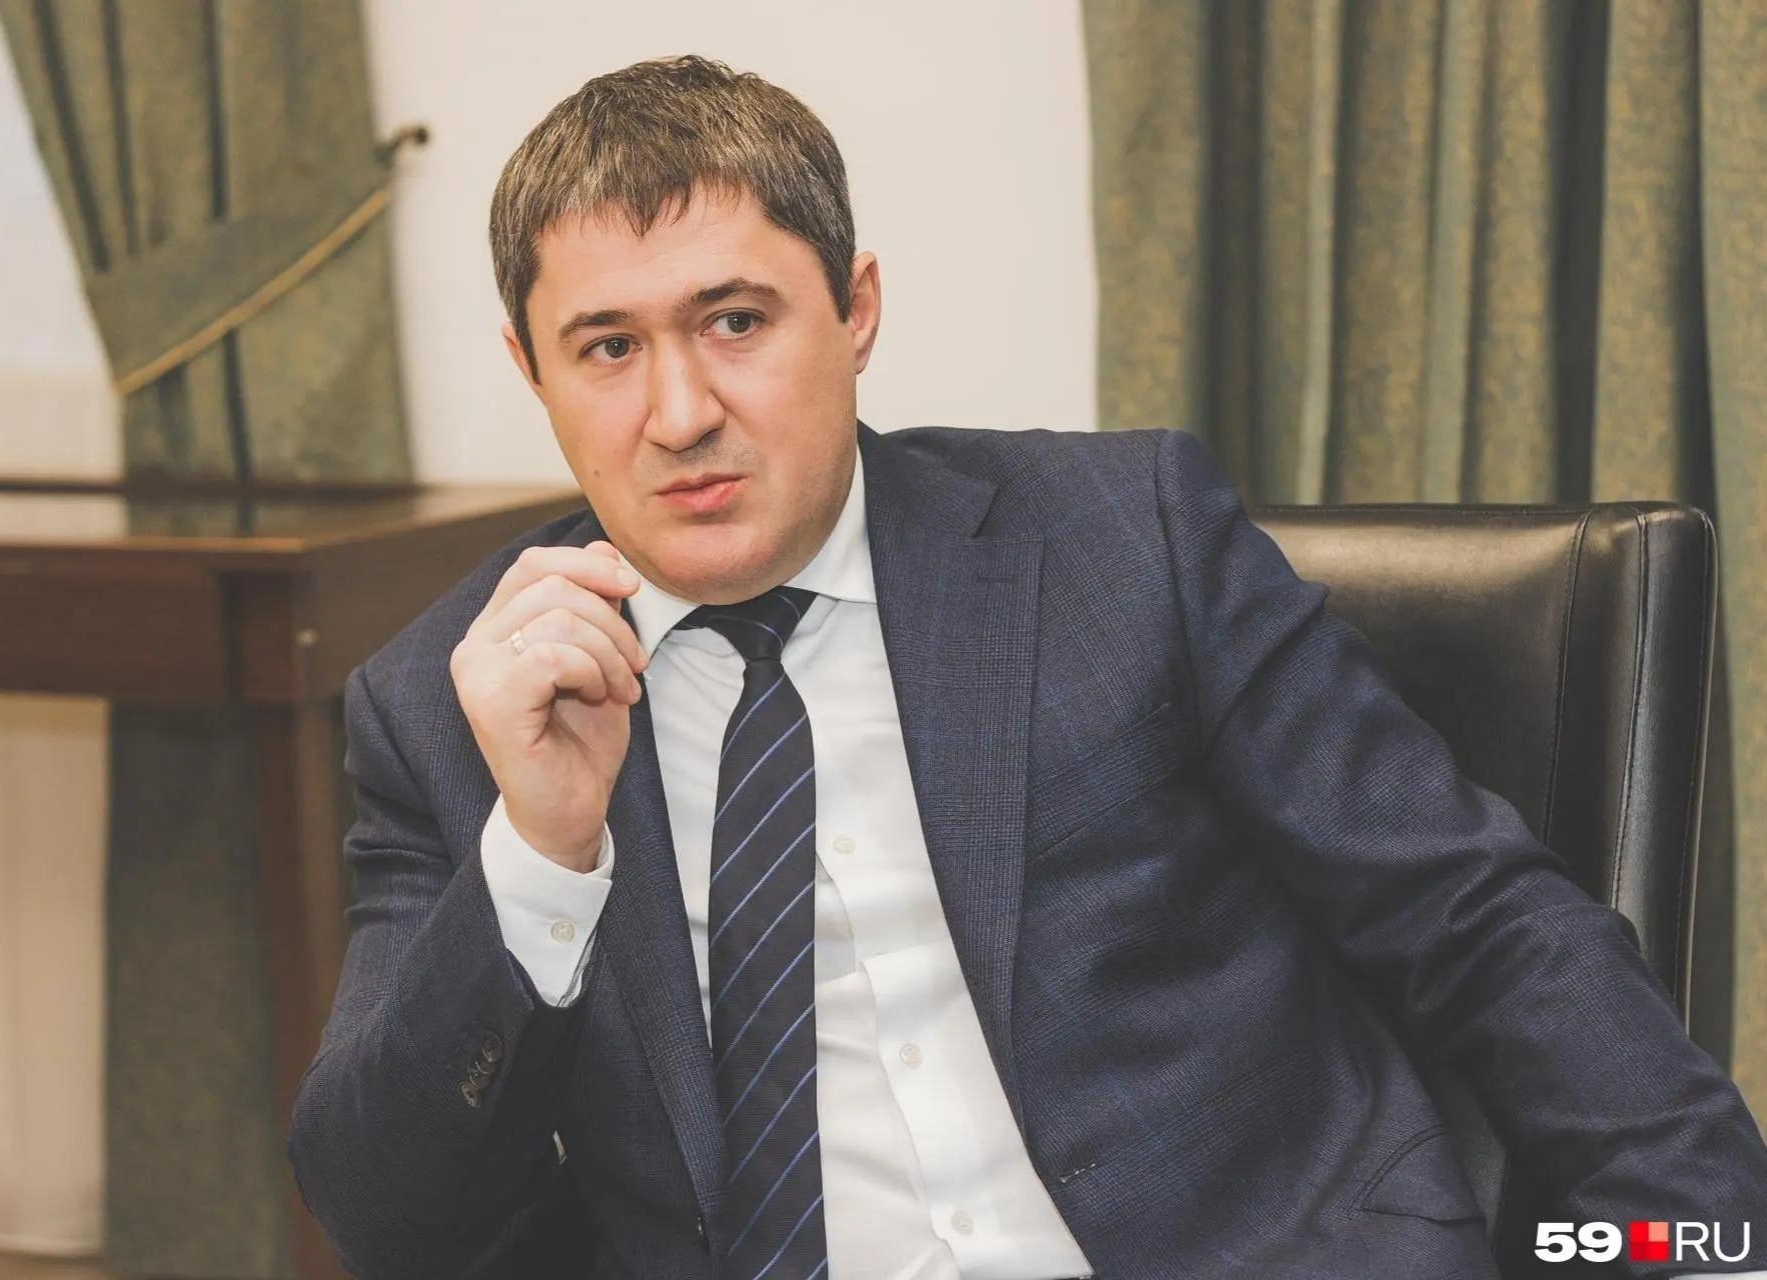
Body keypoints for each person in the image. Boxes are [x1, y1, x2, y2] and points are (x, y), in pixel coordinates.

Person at [285, 54, 1767, 1280]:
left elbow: (1478, 924)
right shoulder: (449, 707)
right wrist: (540, 855)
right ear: (530, 369)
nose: (679, 413)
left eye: (734, 322)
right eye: (606, 348)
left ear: (856, 309)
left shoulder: (1122, 544)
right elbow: (391, 1220)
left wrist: (1700, 1247)